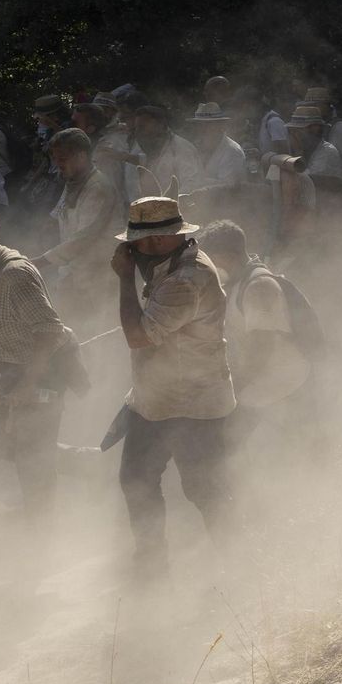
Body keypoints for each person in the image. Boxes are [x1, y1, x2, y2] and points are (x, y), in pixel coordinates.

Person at [110, 196, 236, 576]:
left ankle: (239, 563)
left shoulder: (186, 278)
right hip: (157, 400)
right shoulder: (169, 264)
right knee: (136, 479)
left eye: (139, 242)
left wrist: (123, 278)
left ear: (162, 240)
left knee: (204, 489)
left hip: (193, 404)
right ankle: (151, 562)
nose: (132, 249)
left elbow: (138, 335)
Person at [0, 209, 84, 524]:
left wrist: (29, 384)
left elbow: (48, 329)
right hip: (16, 367)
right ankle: (68, 461)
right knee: (6, 446)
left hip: (43, 371)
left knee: (31, 456)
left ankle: (40, 526)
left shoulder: (13, 275)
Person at [195, 221, 319, 455]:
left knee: (281, 455)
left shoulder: (258, 286)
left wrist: (234, 388)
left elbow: (262, 347)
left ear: (227, 256)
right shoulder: (239, 282)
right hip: (263, 388)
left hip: (280, 386)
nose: (209, 266)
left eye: (212, 259)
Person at [34, 128, 121, 317]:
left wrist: (41, 261)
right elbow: (61, 208)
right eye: (55, 159)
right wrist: (48, 223)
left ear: (81, 156)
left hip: (97, 272)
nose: (58, 165)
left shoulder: (98, 187)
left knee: (93, 325)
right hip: (74, 268)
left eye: (62, 159)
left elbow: (83, 238)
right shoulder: (74, 180)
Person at [111, 105, 203, 198]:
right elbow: (148, 161)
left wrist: (171, 205)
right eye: (137, 128)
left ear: (160, 125)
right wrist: (123, 156)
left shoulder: (182, 148)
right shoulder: (150, 145)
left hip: (175, 209)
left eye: (142, 127)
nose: (138, 132)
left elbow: (191, 184)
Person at [190, 103, 248, 189]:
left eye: (208, 125)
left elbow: (228, 188)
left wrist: (199, 182)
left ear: (220, 126)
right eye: (199, 125)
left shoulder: (232, 151)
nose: (202, 129)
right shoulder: (198, 147)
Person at [306, 88, 342, 173]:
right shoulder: (312, 127)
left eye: (314, 105)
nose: (308, 110)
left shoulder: (339, 128)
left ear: (325, 105)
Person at [288, 102, 342, 176]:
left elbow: (308, 180)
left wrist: (298, 152)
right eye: (292, 132)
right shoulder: (308, 150)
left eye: (298, 131)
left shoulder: (327, 152)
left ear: (315, 130)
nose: (294, 136)